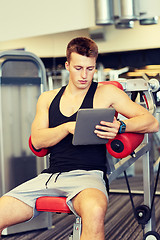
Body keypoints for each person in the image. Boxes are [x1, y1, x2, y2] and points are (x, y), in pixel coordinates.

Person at [0, 37, 159, 240]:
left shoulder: (106, 93)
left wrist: (121, 126)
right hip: (49, 177)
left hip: (89, 177)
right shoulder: (48, 98)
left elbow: (152, 122)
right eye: (78, 68)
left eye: (90, 69)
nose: (84, 75)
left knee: (94, 211)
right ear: (67, 65)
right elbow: (38, 140)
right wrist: (66, 127)